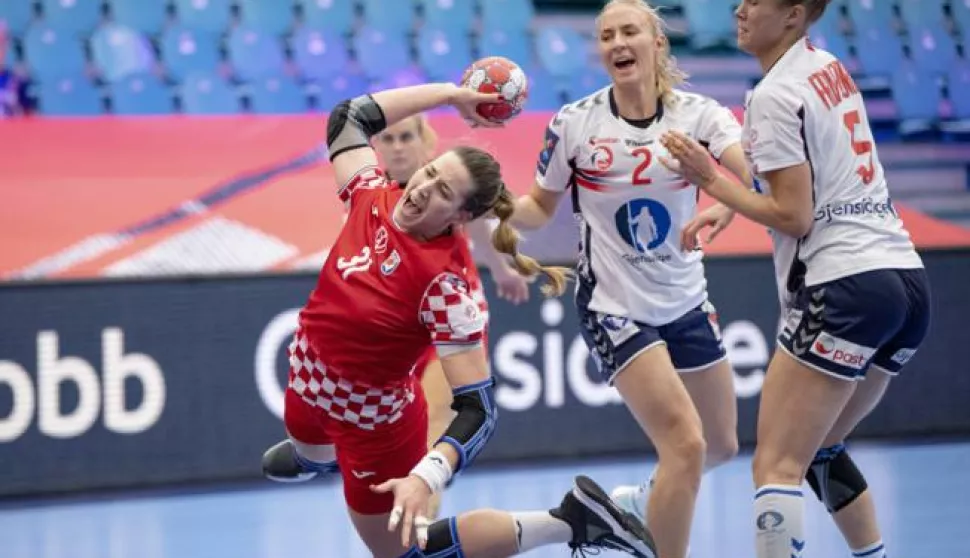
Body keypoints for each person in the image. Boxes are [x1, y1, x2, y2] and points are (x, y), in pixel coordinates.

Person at [265, 81, 657, 558]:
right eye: (429, 175)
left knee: (407, 552)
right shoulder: (372, 194)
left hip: (373, 428)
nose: (423, 189)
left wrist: (424, 475)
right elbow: (349, 117)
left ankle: (571, 520)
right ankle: (314, 457)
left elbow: (480, 409)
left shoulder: (444, 288)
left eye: (442, 191)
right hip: (306, 383)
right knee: (308, 444)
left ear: (461, 216)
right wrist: (451, 95)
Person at [660, 1, 931, 557]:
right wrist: (731, 205)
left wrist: (709, 178)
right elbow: (807, 179)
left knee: (776, 463)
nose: (739, 8)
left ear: (794, 14)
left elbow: (794, 215)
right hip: (904, 282)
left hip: (844, 282)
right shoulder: (827, 67)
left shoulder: (774, 93)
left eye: (756, 1)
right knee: (822, 446)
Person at [510, 1, 749, 556]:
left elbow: (755, 177)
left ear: (657, 43)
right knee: (685, 447)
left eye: (630, 31)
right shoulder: (575, 123)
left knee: (720, 445)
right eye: (606, 35)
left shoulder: (702, 115)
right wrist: (488, 204)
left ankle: (632, 508)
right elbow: (536, 211)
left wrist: (724, 203)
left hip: (686, 297)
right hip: (614, 306)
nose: (617, 42)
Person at [262, 113, 532, 522]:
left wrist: (500, 269)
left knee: (432, 427)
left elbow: (476, 226)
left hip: (444, 320)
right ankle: (320, 454)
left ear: (424, 143)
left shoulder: (445, 186)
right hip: (388, 324)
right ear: (377, 145)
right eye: (388, 138)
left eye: (407, 137)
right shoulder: (374, 190)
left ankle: (420, 522)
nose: (399, 147)